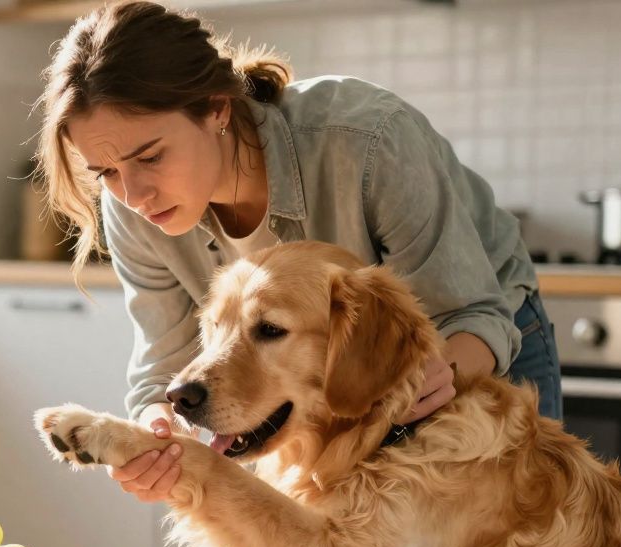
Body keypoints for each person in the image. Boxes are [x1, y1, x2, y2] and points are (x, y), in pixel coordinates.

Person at [33, 1, 562, 503]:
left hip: (470, 335)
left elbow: (472, 312)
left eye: (150, 156)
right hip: (300, 388)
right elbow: (165, 366)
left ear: (216, 109)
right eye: (105, 172)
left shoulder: (369, 139)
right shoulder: (129, 206)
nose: (134, 195)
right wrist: (158, 431)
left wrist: (403, 393)